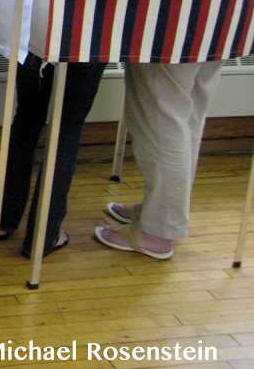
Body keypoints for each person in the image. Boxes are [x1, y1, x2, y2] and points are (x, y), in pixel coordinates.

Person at [95, 62, 223, 259]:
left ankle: (156, 233)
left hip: (171, 34)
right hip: (221, 32)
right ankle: (160, 215)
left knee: (161, 115)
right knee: (189, 113)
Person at [0, 55, 106, 257]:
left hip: (38, 33)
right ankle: (43, 236)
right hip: (92, 35)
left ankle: (4, 219)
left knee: (27, 116)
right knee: (67, 128)